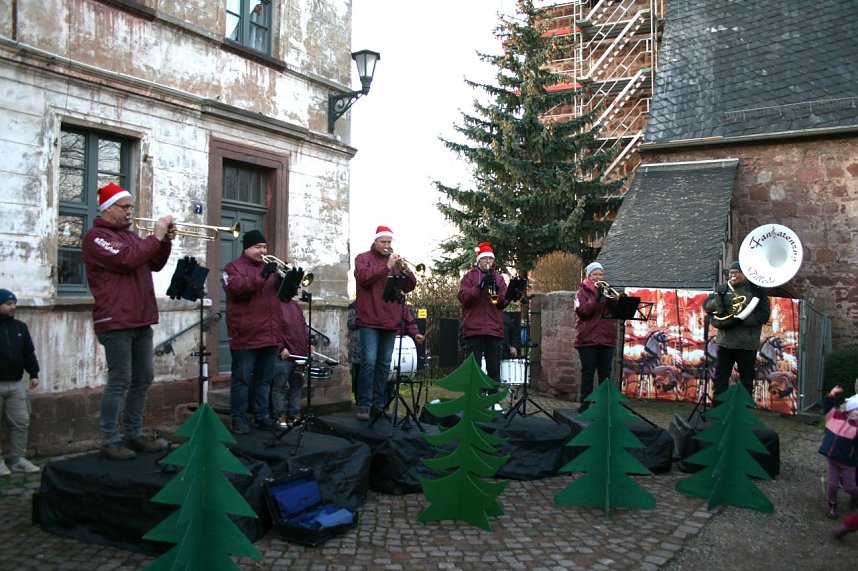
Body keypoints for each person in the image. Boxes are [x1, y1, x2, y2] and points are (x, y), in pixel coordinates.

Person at [82, 183, 173, 460]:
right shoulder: (97, 237)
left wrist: (164, 242)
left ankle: (134, 434)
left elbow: (153, 263)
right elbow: (127, 259)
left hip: (140, 318)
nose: (129, 211)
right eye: (124, 207)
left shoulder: (131, 237)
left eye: (130, 206)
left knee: (143, 378)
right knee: (120, 379)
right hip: (116, 319)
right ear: (107, 208)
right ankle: (110, 440)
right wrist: (154, 237)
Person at [222, 230, 283, 434]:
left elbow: (283, 296)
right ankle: (238, 418)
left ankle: (262, 415)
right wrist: (263, 275)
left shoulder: (271, 269)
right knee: (242, 380)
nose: (263, 251)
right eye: (258, 247)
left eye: (264, 247)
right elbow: (238, 290)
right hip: (245, 334)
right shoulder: (232, 268)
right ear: (247, 248)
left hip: (270, 334)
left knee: (264, 379)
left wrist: (290, 280)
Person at [353, 225, 417, 420]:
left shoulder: (395, 263)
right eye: (383, 242)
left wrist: (405, 269)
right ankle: (364, 404)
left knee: (384, 365)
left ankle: (378, 404)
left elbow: (409, 286)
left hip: (390, 321)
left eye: (389, 242)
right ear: (375, 242)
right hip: (369, 320)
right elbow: (364, 278)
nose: (387, 245)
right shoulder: (362, 258)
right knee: (369, 362)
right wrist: (387, 266)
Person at [702, 260, 771, 398]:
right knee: (720, 378)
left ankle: (744, 408)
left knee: (746, 380)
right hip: (725, 342)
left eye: (736, 272)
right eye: (730, 273)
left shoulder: (756, 291)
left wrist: (741, 319)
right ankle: (718, 406)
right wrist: (719, 300)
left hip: (747, 344)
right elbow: (707, 306)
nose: (732, 276)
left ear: (744, 274)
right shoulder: (723, 288)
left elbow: (764, 315)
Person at [0, 289, 41, 474]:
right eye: (8, 304)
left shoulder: (20, 327)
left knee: (22, 421)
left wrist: (33, 373)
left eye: (14, 304)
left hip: (16, 384)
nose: (13, 307)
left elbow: (28, 352)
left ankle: (18, 460)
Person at [458, 242, 509, 385]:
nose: (488, 261)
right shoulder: (469, 277)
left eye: (490, 258)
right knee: (474, 369)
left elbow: (504, 302)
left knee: (494, 369)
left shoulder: (498, 277)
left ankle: (493, 397)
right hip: (474, 329)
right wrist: (479, 287)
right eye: (485, 258)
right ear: (479, 260)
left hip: (493, 329)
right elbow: (463, 298)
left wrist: (498, 293)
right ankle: (475, 395)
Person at [574, 262, 617, 412]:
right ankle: (585, 404)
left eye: (600, 274)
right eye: (595, 274)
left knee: (605, 373)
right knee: (588, 372)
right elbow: (583, 312)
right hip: (587, 338)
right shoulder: (581, 293)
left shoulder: (607, 291)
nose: (598, 277)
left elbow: (616, 311)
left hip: (606, 338)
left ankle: (603, 405)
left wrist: (612, 299)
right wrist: (596, 298)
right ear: (588, 276)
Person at [271, 271, 309, 428]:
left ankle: (294, 414)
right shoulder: (275, 305)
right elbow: (273, 328)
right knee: (279, 385)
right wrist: (281, 348)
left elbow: (303, 326)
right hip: (284, 355)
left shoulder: (296, 306)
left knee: (296, 385)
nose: (296, 289)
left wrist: (309, 342)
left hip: (299, 353)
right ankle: (280, 415)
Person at [819, 386, 858, 519]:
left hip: (848, 462)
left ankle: (855, 496)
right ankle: (832, 505)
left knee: (850, 487)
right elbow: (829, 407)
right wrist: (831, 394)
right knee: (832, 485)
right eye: (856, 409)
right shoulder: (836, 416)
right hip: (832, 459)